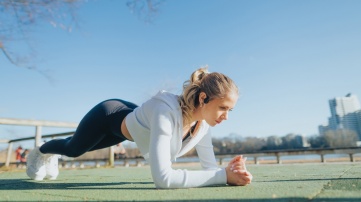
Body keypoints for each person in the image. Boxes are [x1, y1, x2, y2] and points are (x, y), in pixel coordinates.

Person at [26, 67, 252, 188]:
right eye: (223, 107)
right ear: (203, 98)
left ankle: (48, 154)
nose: (226, 116)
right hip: (109, 115)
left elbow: (210, 170)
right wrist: (223, 176)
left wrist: (229, 172)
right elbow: (163, 180)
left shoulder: (202, 126)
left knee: (81, 148)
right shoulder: (165, 112)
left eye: (230, 110)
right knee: (73, 149)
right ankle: (39, 151)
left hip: (129, 129)